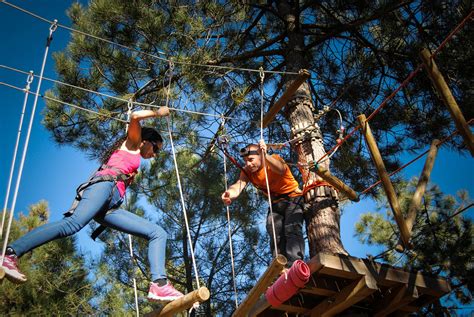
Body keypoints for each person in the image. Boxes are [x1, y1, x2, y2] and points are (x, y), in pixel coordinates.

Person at [1, 107, 184, 302]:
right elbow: (135, 116)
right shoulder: (132, 143)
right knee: (71, 225)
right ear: (146, 140)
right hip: (103, 188)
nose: (155, 154)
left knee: (158, 232)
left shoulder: (135, 156)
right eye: (156, 148)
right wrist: (157, 112)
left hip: (109, 206)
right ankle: (11, 254)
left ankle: (160, 285)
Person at [221, 140, 305, 265]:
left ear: (260, 155)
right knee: (273, 229)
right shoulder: (247, 171)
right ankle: (279, 264)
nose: (248, 164)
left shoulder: (273, 160)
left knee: (291, 228)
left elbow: (281, 169)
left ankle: (294, 263)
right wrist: (230, 194)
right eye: (245, 161)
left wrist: (265, 155)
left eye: (251, 159)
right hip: (275, 203)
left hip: (293, 198)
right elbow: (239, 184)